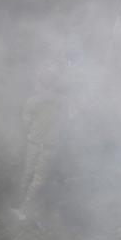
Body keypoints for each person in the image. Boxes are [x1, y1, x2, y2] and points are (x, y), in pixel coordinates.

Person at [12, 70, 77, 219]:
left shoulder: (32, 100)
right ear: (55, 84)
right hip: (50, 146)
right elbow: (75, 116)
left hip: (34, 142)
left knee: (28, 171)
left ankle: (18, 201)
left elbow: (26, 122)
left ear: (40, 84)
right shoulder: (64, 100)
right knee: (39, 177)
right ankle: (24, 208)